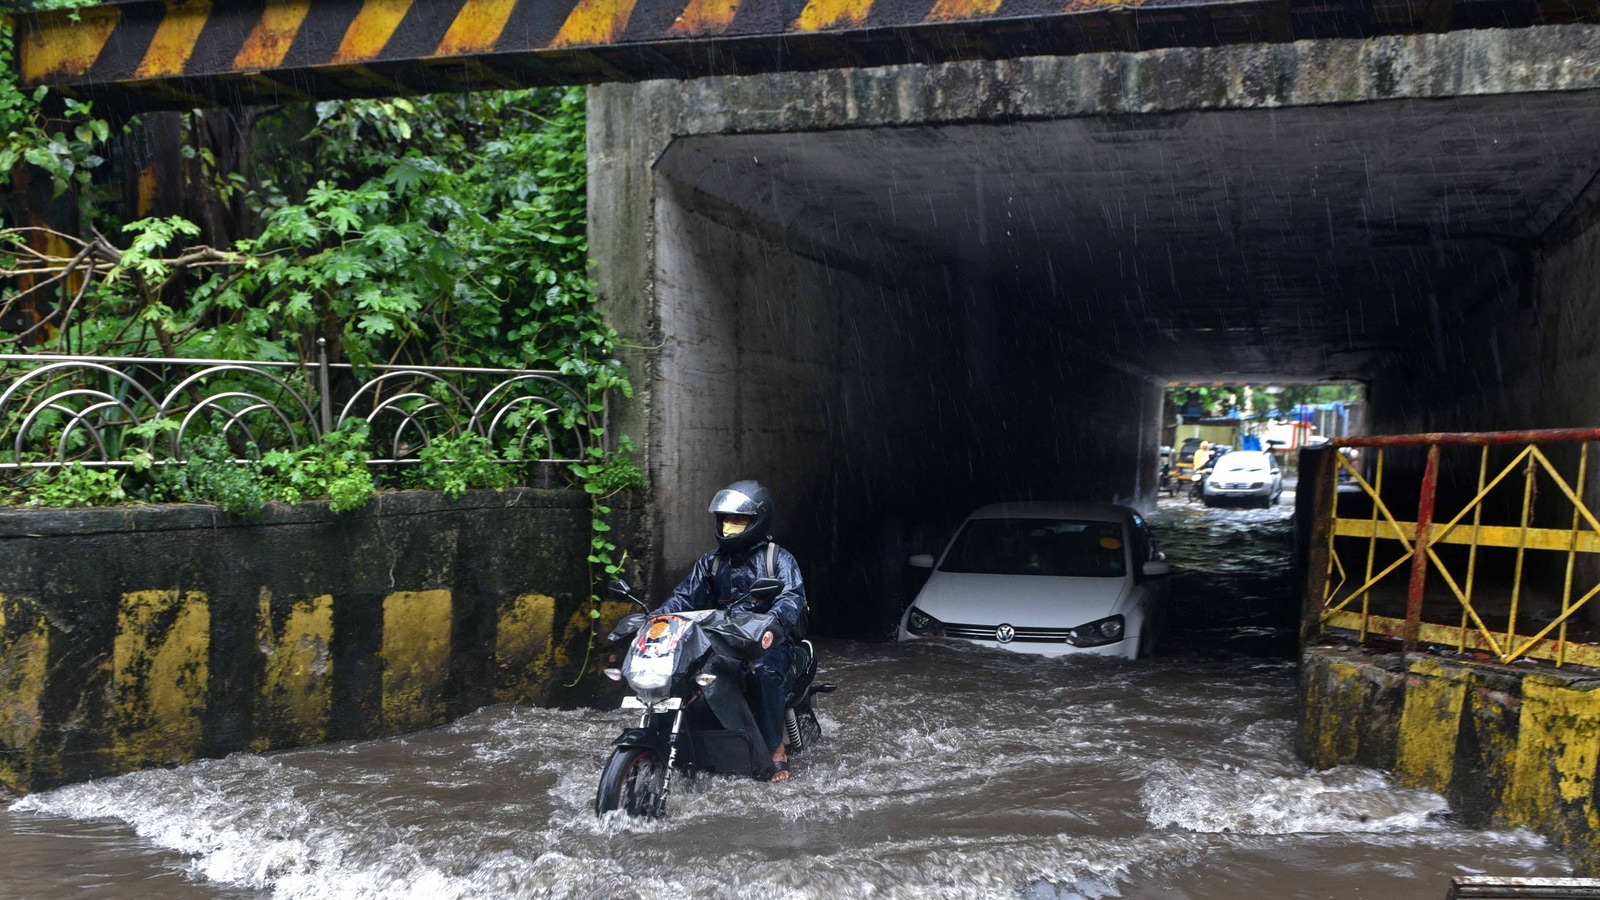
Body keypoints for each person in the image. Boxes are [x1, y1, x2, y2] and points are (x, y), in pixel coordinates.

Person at [650, 480, 806, 782]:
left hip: (768, 643)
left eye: (739, 519)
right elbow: (683, 597)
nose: (730, 525)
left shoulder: (778, 559)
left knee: (762, 671)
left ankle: (776, 750)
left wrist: (770, 622)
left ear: (757, 521)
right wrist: (657, 618)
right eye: (726, 519)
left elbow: (791, 597)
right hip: (721, 642)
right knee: (685, 670)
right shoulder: (711, 562)